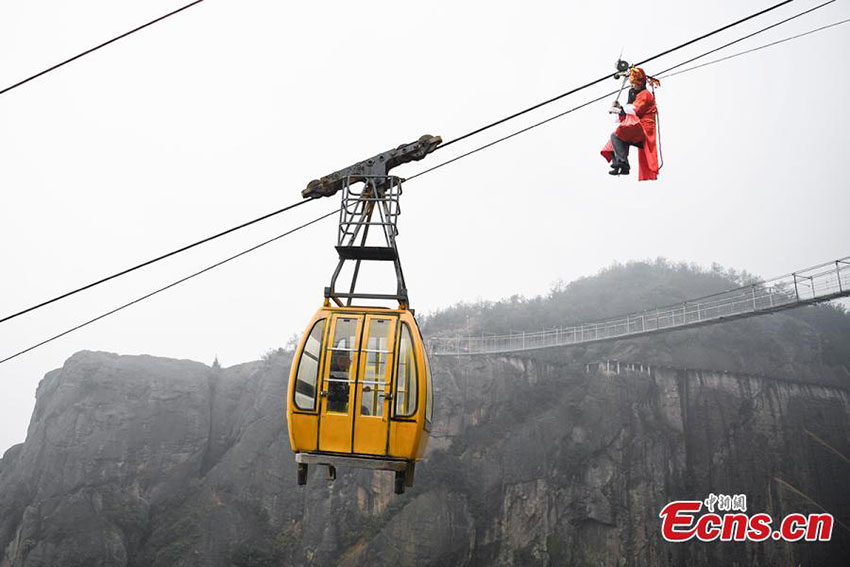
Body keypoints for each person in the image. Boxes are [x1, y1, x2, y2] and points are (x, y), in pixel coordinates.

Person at [601, 67, 660, 180]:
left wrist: (619, 109)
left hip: (643, 129)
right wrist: (619, 108)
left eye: (634, 83)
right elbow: (629, 110)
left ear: (641, 83)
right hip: (637, 126)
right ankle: (621, 166)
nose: (633, 86)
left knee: (616, 135)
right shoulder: (637, 94)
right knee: (611, 143)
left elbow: (635, 109)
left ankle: (623, 162)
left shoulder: (645, 94)